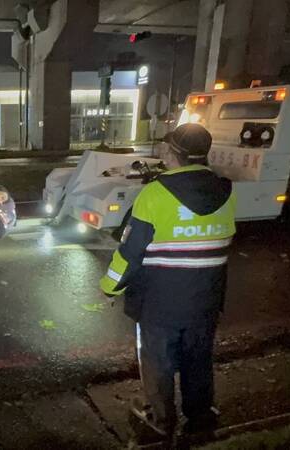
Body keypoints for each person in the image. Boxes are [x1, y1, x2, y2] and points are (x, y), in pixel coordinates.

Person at [99, 123, 237, 441]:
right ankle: (200, 414)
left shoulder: (154, 195)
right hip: (206, 298)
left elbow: (130, 253)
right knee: (198, 358)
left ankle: (161, 418)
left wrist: (110, 286)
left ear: (171, 152)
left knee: (158, 362)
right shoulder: (226, 193)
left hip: (160, 303)